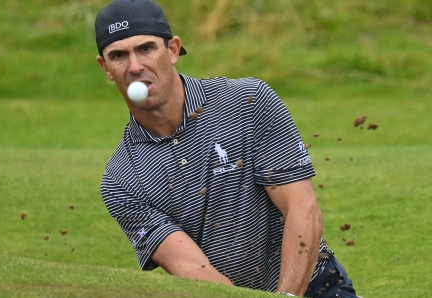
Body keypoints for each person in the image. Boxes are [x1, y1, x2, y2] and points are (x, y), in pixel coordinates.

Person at [95, 0, 359, 297]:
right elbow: (193, 268)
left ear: (171, 50)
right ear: (105, 68)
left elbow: (302, 208)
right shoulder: (121, 180)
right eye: (118, 55)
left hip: (313, 285)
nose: (134, 66)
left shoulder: (248, 102)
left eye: (146, 48)